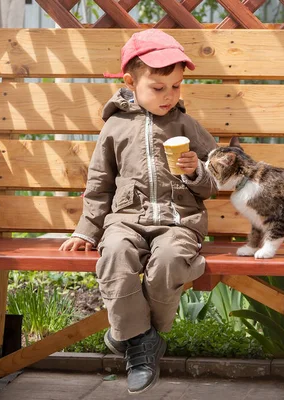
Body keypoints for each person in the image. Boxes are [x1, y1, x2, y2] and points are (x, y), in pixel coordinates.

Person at [59, 29, 217, 394]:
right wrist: (86, 230)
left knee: (170, 259)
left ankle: (132, 336)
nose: (169, 96)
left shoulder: (186, 126)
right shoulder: (115, 128)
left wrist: (196, 171)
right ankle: (143, 342)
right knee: (113, 254)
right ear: (130, 83)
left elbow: (214, 182)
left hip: (179, 222)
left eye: (176, 87)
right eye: (158, 88)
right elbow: (100, 184)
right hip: (126, 219)